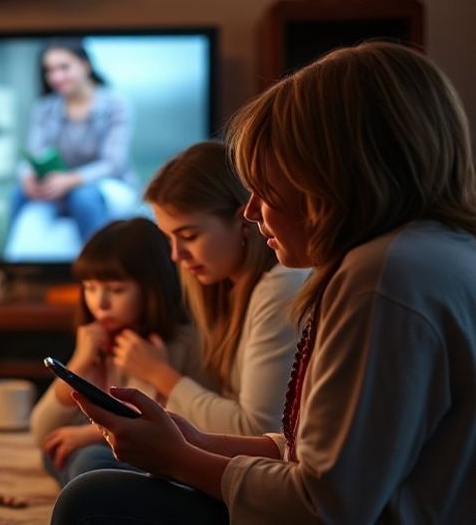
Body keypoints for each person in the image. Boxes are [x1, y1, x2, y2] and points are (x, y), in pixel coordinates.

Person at [53, 41, 476, 523]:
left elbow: (325, 504)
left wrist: (175, 458)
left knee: (93, 498)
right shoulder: (437, 252)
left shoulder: (382, 277)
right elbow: (325, 455)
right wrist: (195, 439)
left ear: (333, 178)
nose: (252, 212)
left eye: (268, 189)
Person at [138, 141, 308, 436]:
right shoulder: (226, 291)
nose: (176, 256)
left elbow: (257, 428)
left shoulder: (281, 286)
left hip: (260, 471)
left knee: (94, 468)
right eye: (169, 240)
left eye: (189, 236)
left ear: (243, 219)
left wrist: (161, 375)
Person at [30, 217, 203, 486]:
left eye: (116, 290)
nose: (100, 303)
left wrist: (89, 435)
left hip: (159, 461)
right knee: (57, 453)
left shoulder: (177, 343)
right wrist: (80, 361)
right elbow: (42, 431)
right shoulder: (98, 341)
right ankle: (98, 492)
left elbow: (157, 427)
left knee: (86, 460)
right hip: (110, 457)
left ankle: (98, 493)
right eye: (90, 288)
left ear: (152, 288)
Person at [9, 38, 137, 243]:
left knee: (82, 197)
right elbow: (35, 152)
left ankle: (96, 267)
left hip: (106, 183)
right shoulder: (45, 107)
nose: (56, 77)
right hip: (57, 183)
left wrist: (70, 180)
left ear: (85, 65)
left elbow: (113, 164)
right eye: (49, 70)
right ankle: (17, 269)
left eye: (64, 67)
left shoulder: (115, 103)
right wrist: (27, 176)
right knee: (18, 194)